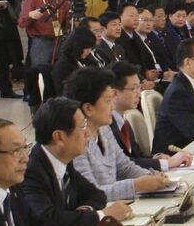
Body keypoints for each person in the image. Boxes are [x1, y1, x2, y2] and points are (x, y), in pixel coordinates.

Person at [20, 98, 132, 226]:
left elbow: (97, 195)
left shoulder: (63, 160)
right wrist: (102, 215)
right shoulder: (32, 171)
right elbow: (46, 219)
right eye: (82, 127)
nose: (88, 133)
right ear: (59, 137)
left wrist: (83, 212)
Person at [63, 67, 171, 201]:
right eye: (108, 101)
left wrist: (151, 176)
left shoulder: (104, 129)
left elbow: (124, 167)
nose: (112, 107)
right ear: (88, 108)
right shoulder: (75, 143)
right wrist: (136, 185)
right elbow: (92, 192)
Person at [109, 63, 192, 170]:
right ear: (114, 93)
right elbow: (123, 164)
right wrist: (166, 164)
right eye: (134, 89)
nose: (139, 94)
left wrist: (156, 158)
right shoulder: (106, 126)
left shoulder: (122, 120)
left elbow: (137, 156)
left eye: (139, 87)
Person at [17, 0, 69, 80]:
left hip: (59, 40)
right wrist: (31, 15)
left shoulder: (62, 0)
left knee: (58, 74)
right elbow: (21, 22)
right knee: (41, 74)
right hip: (41, 41)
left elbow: (67, 22)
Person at [50, 28, 96, 98]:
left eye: (90, 48)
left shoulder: (84, 59)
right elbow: (64, 93)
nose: (89, 51)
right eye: (86, 48)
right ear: (78, 46)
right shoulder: (63, 66)